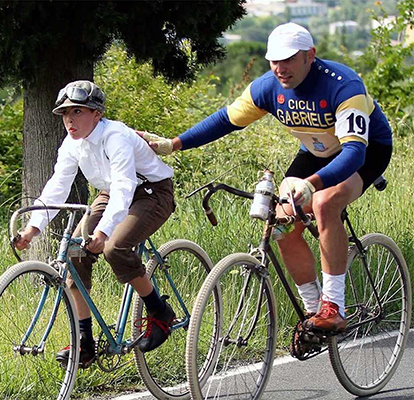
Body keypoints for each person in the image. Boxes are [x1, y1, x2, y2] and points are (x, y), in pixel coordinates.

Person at [140, 22, 392, 332]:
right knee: (281, 223)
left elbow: (354, 153)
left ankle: (333, 306)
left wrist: (311, 184)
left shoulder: (343, 85)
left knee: (325, 203)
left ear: (310, 56)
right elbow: (226, 120)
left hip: (366, 150)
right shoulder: (267, 87)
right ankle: (313, 312)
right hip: (317, 149)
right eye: (274, 60)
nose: (280, 68)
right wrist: (173, 144)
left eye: (288, 59)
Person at [15, 80, 177, 366]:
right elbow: (57, 186)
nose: (69, 119)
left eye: (77, 111)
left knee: (115, 248)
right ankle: (85, 341)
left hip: (151, 191)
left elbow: (126, 185)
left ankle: (159, 310)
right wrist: (33, 228)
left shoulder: (116, 136)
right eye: (65, 113)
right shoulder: (72, 143)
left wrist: (103, 231)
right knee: (75, 252)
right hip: (112, 193)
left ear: (97, 114)